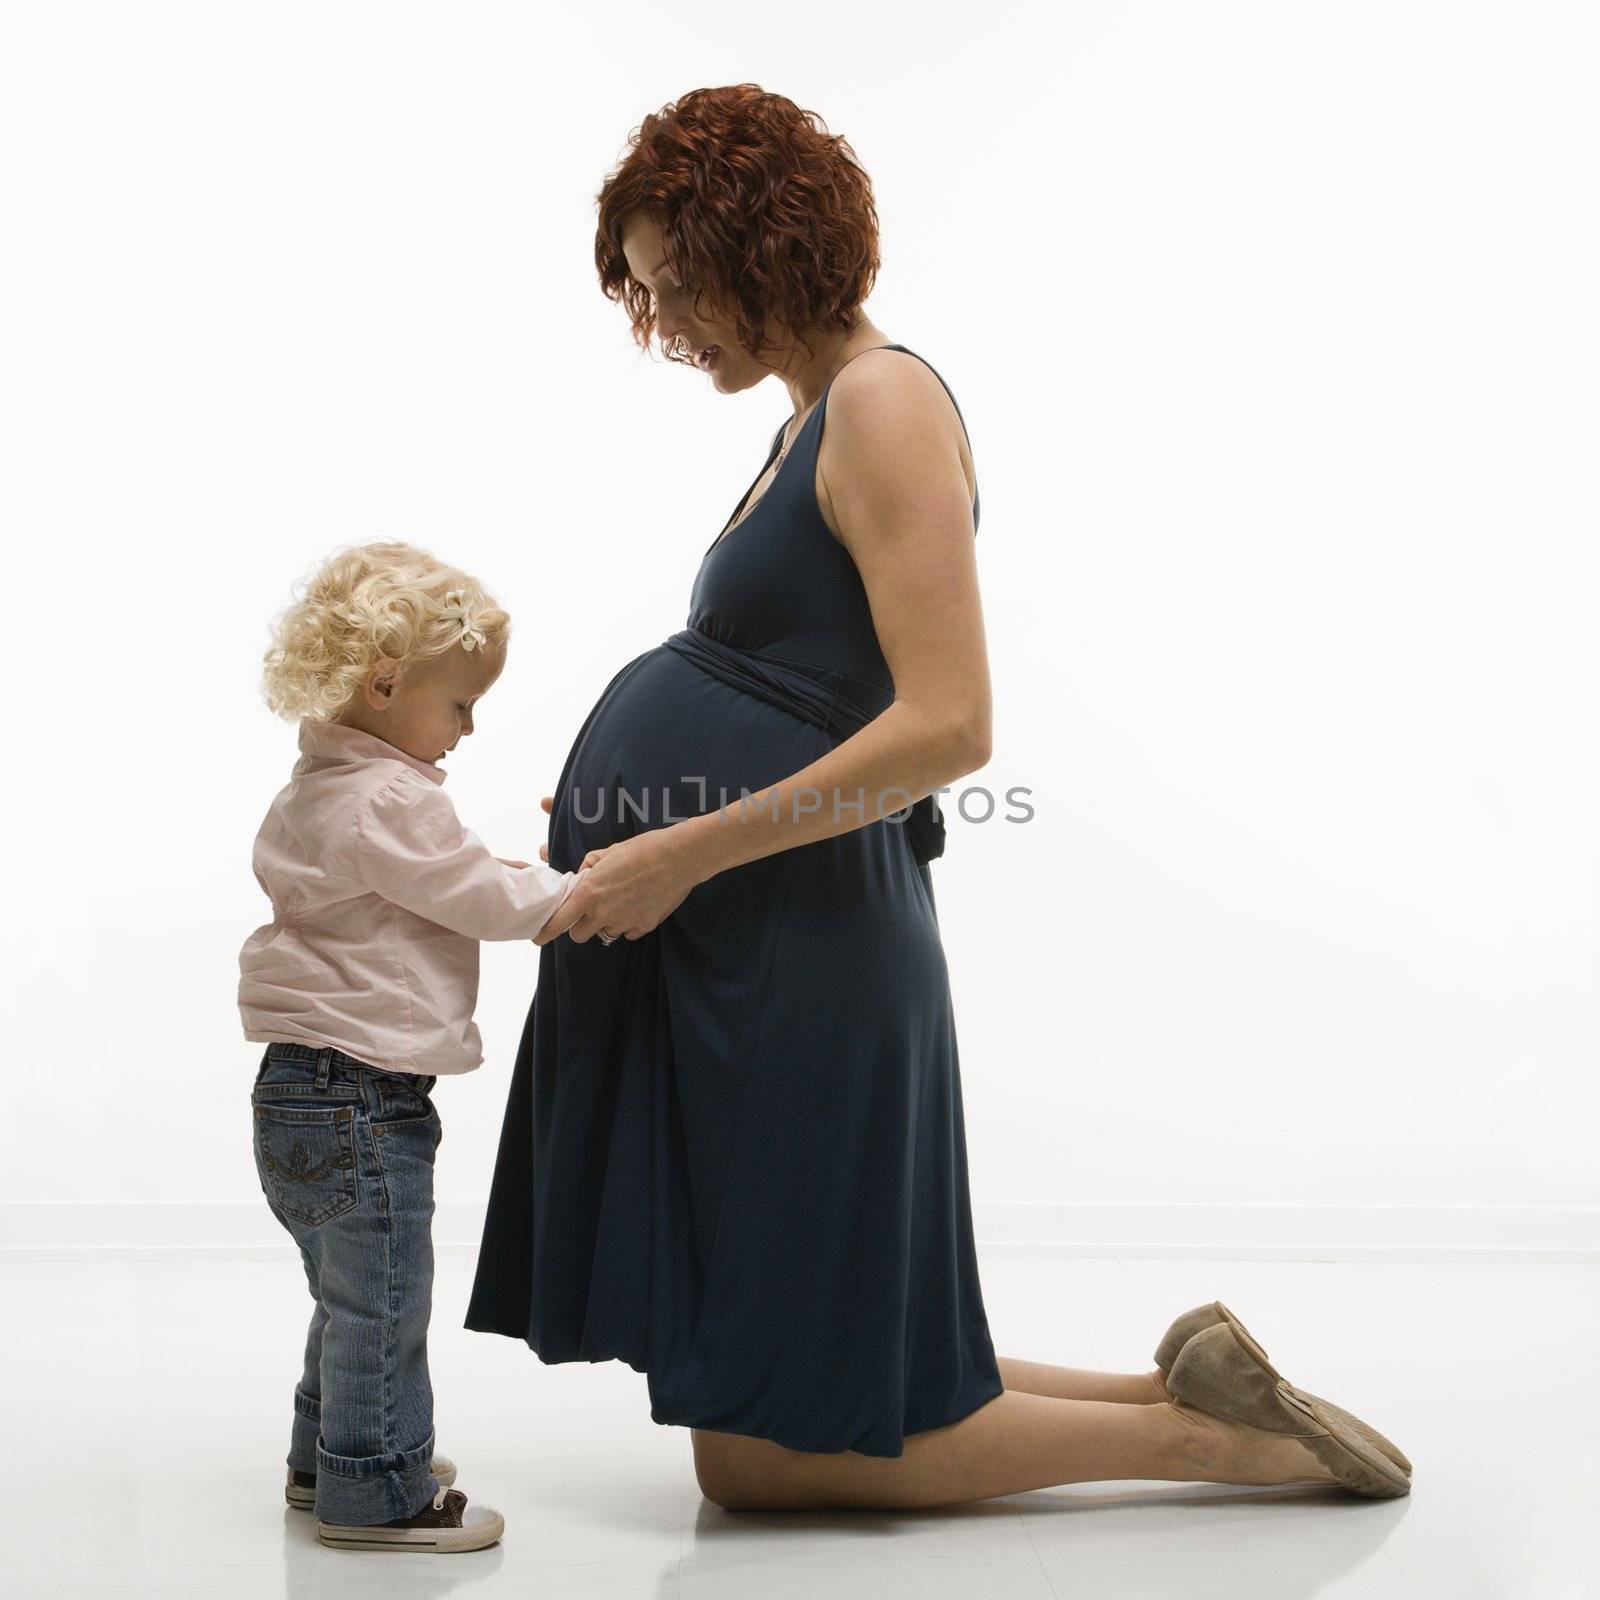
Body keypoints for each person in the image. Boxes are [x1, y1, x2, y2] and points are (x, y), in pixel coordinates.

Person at [467, 84, 1413, 1511]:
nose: (667, 327)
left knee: (764, 1454)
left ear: (762, 242)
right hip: (762, 937)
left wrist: (680, 850)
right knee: (808, 1358)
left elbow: (949, 724)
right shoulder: (807, 420)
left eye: (682, 286)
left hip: (802, 948)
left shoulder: (885, 400)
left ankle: (1208, 1443)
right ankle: (1175, 1387)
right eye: (648, 298)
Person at [238, 540, 599, 1550]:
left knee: (347, 1298)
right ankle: (379, 1488)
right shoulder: (389, 798)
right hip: (360, 1096)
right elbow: (477, 893)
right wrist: (579, 892)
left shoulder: (316, 787)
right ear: (385, 682)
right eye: (459, 703)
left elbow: (442, 875)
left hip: (297, 1091)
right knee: (385, 1298)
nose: (469, 725)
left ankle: (334, 1456)